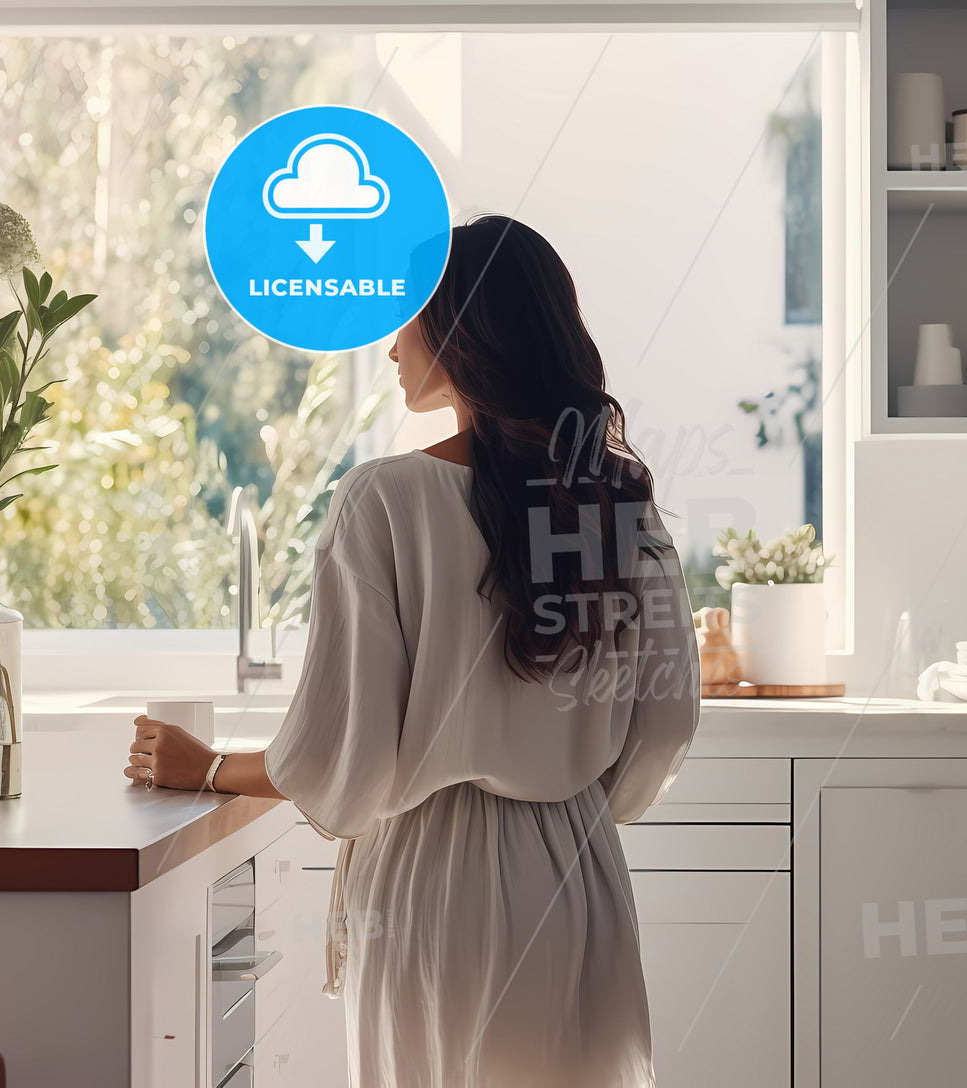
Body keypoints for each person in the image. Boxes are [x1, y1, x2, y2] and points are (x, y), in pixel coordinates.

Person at [124, 213, 701, 1087]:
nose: (393, 344)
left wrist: (205, 769)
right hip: (576, 872)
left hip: (431, 887)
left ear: (465, 334)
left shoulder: (383, 501)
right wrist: (563, 796)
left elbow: (341, 754)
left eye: (409, 314)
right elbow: (664, 728)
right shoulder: (619, 502)